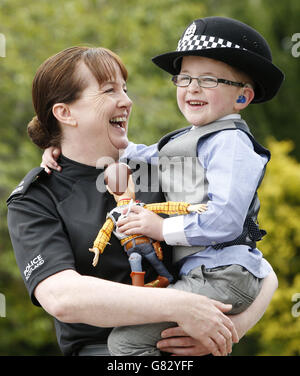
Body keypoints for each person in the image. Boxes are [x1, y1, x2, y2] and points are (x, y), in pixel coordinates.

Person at [8, 45, 277, 358]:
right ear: (65, 113)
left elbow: (256, 264)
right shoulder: (37, 197)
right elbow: (62, 297)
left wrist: (230, 329)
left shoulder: (164, 170)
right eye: (109, 90)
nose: (126, 101)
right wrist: (185, 307)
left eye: (125, 88)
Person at [89, 161, 207, 287]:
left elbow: (104, 232)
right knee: (145, 260)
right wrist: (188, 208)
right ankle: (145, 286)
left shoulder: (123, 212)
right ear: (131, 182)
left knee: (144, 260)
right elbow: (165, 207)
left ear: (109, 189)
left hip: (138, 246)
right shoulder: (136, 208)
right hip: (141, 247)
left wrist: (97, 248)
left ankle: (155, 282)